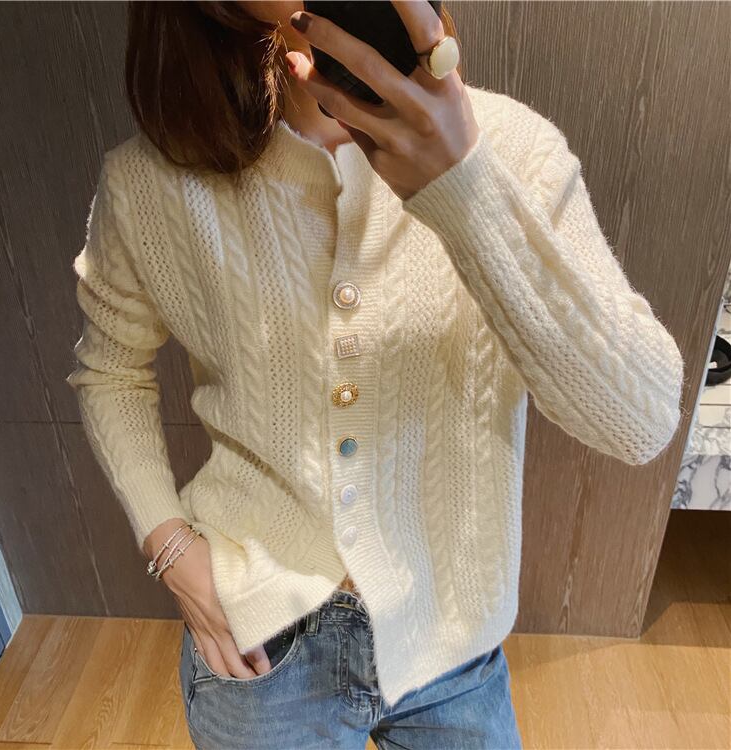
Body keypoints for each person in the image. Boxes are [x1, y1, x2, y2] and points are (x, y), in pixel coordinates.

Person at [65, 1, 685, 748]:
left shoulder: (512, 151)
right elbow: (111, 368)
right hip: (258, 633)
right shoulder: (149, 181)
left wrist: (465, 190)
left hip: (451, 639)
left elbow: (641, 419)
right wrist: (170, 549)